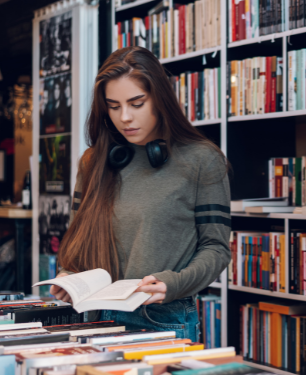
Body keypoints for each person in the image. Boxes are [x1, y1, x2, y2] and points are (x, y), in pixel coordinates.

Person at [49, 46, 231, 342]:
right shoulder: (93, 162)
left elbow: (217, 248)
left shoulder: (202, 160)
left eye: (136, 103)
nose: (125, 118)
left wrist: (173, 284)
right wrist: (70, 275)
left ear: (159, 99)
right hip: (94, 317)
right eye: (114, 105)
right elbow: (79, 240)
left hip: (161, 317)